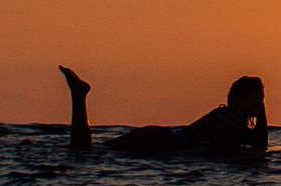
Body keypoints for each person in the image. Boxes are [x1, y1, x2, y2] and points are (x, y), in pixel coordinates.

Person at [61, 66, 268, 156]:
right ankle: (79, 97)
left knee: (89, 152)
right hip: (165, 141)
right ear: (241, 99)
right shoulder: (233, 121)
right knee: (88, 153)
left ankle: (79, 97)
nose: (261, 103)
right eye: (257, 97)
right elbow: (259, 144)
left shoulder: (224, 114)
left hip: (161, 135)